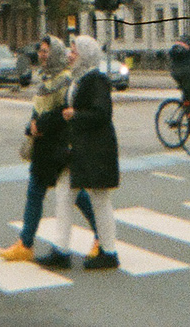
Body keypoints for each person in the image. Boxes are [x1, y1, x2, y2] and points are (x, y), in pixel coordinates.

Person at [0, 36, 98, 267]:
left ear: (55, 53)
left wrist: (41, 125)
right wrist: (31, 127)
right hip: (44, 147)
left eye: (46, 51)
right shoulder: (44, 79)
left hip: (58, 146)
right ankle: (26, 244)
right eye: (41, 51)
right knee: (49, 193)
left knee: (72, 195)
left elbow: (65, 112)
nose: (42, 55)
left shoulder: (65, 80)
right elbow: (38, 110)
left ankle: (99, 236)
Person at [63, 35, 121, 270]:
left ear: (85, 56)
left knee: (99, 199)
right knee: (70, 194)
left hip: (97, 148)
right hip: (86, 147)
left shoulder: (95, 80)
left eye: (74, 51)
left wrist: (75, 115)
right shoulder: (80, 79)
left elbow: (102, 113)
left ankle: (109, 251)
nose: (70, 55)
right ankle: (63, 247)